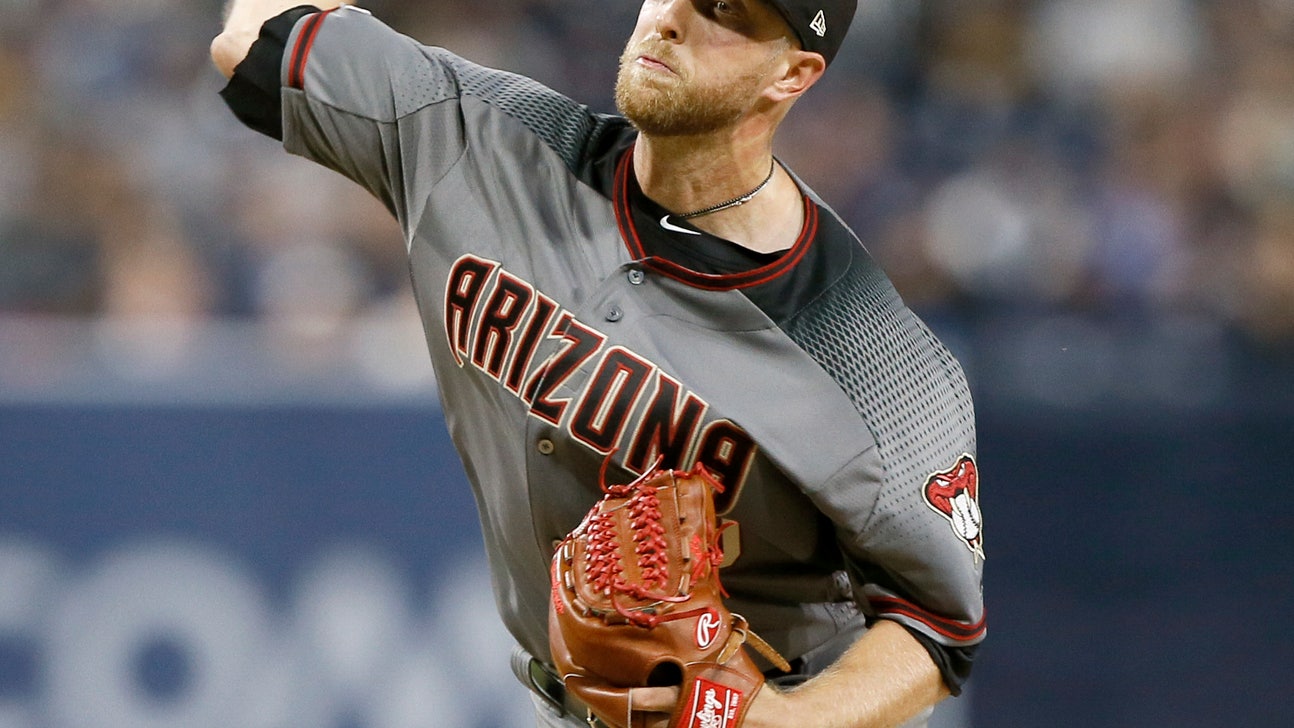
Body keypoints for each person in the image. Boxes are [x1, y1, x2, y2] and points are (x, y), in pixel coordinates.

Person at [211, 1, 985, 726]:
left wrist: (784, 720)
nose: (675, 18)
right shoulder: (481, 136)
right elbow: (253, 40)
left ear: (792, 74)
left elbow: (938, 623)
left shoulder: (877, 361)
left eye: (726, 11)